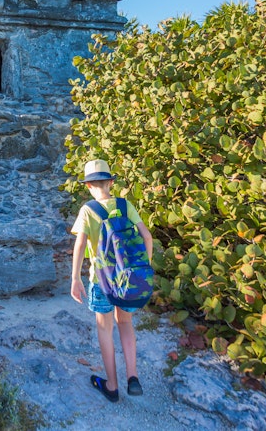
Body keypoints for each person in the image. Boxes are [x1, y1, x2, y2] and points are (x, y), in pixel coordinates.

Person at [70, 158, 154, 402]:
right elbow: (146, 236)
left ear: (88, 185)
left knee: (105, 329)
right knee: (125, 324)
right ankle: (133, 376)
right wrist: (143, 268)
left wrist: (75, 278)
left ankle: (111, 385)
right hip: (128, 279)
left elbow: (80, 244)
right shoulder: (126, 205)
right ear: (110, 181)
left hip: (101, 281)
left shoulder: (88, 210)